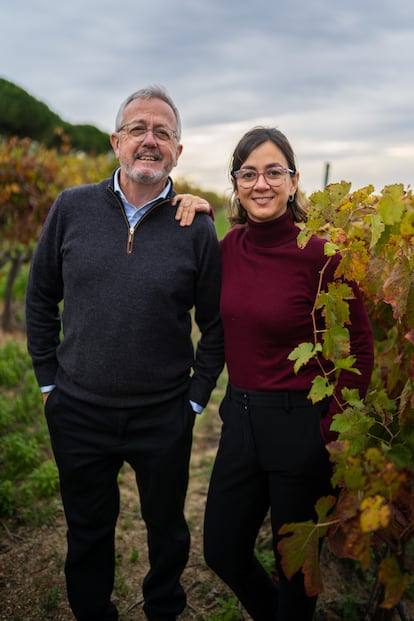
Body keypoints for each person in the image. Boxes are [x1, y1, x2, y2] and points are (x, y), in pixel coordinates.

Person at [25, 85, 224, 621]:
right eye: (138, 128)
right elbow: (40, 296)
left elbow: (215, 323)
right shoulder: (71, 208)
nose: (150, 140)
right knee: (87, 531)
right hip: (78, 408)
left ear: (178, 152)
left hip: (163, 413)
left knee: (167, 530)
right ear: (116, 141)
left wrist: (195, 401)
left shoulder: (197, 226)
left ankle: (163, 609)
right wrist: (48, 383)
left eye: (163, 132)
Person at [203, 127, 374, 621]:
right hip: (239, 418)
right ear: (235, 184)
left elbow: (360, 344)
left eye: (274, 172)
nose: (262, 183)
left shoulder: (322, 256)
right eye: (249, 173)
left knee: (295, 572)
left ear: (294, 181)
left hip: (302, 426)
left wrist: (331, 423)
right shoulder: (226, 248)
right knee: (222, 550)